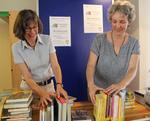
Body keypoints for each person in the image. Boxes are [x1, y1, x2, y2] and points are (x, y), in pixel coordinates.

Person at [12, 9, 68, 108]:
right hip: (29, 89)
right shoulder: (16, 48)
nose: (32, 32)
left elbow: (55, 65)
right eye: (28, 29)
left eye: (35, 27)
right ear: (21, 29)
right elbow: (27, 77)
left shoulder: (47, 40)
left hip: (49, 87)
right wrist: (41, 93)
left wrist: (59, 84)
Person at [86, 1, 139, 104]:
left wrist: (122, 84)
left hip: (118, 94)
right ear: (110, 21)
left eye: (122, 22)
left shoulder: (134, 43)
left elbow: (133, 68)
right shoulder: (99, 39)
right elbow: (91, 65)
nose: (118, 25)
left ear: (129, 22)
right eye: (114, 21)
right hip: (98, 92)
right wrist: (91, 85)